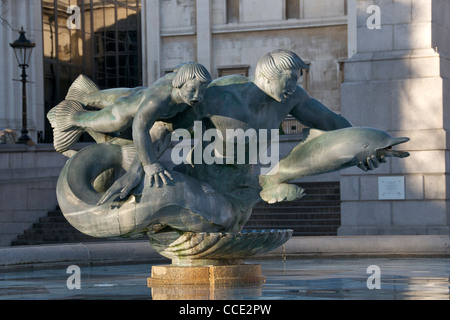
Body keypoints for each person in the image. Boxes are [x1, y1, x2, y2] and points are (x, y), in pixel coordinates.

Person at [47, 62, 212, 203]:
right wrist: (150, 164)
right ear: (181, 83)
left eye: (202, 91)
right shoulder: (159, 101)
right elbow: (140, 129)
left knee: (91, 96)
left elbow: (181, 68)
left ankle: (84, 96)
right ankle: (64, 116)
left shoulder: (183, 80)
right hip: (121, 116)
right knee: (81, 119)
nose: (198, 96)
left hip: (136, 94)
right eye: (192, 90)